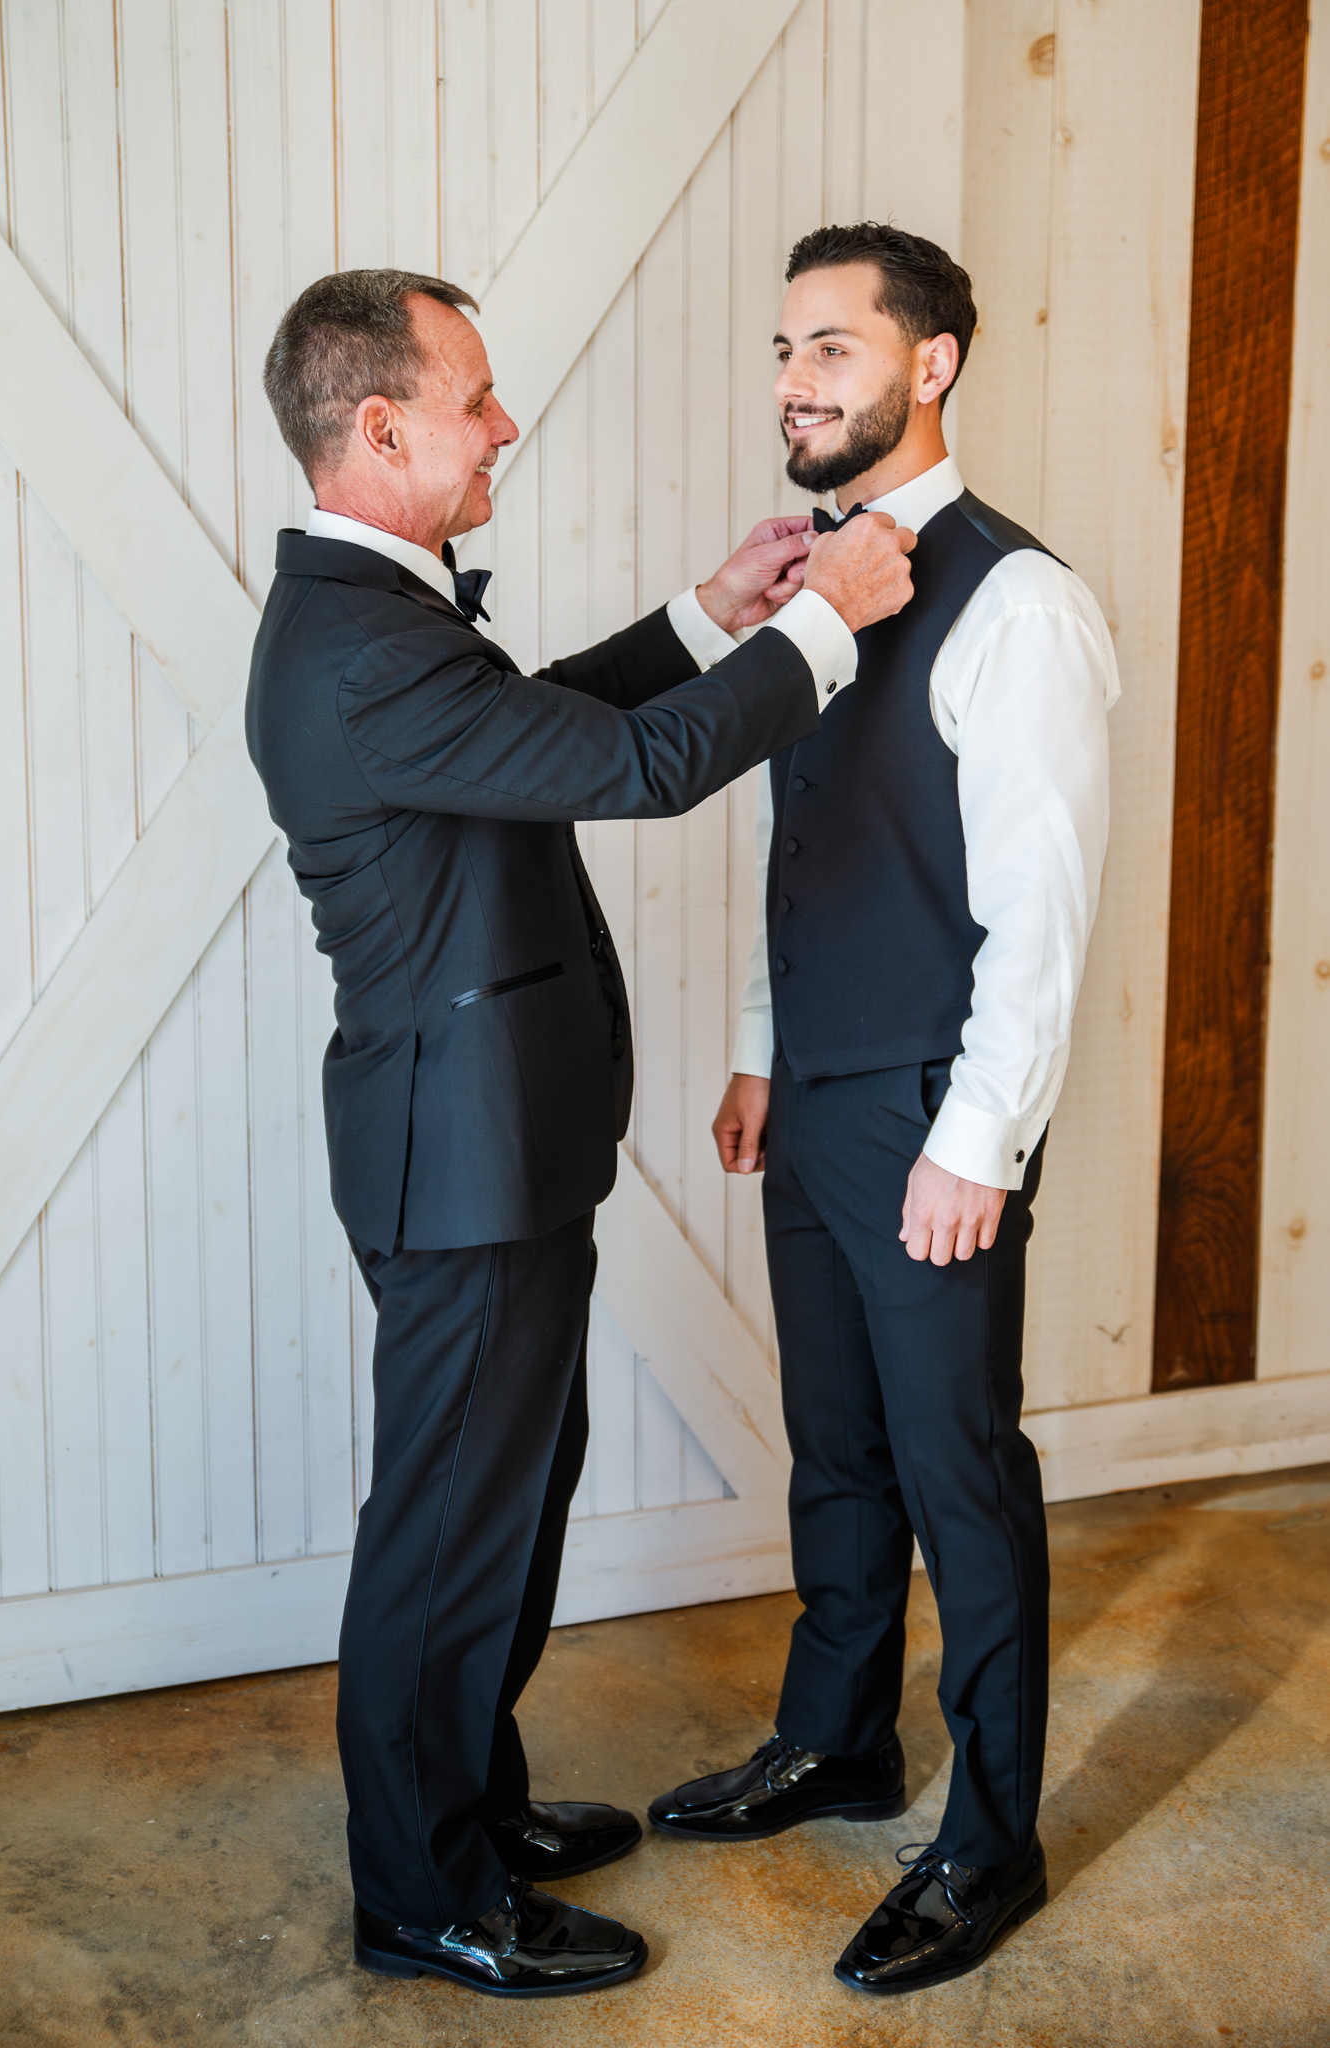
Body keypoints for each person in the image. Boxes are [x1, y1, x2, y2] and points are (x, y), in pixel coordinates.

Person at [246, 267, 915, 2000]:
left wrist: (706, 616)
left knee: (509, 1503)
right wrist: (823, 622)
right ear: (381, 424)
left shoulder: (379, 624)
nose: (507, 424)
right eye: (477, 399)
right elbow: (633, 772)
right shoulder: (349, 642)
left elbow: (538, 725)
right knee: (446, 1537)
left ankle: (473, 1801)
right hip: (454, 1167)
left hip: (499, 1152)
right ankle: (425, 1895)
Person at [648, 223, 1119, 1996]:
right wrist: (767, 1045)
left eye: (834, 349)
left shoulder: (1022, 602)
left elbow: (1042, 914)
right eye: (784, 349)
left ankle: (991, 1838)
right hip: (821, 1094)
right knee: (837, 1452)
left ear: (931, 367)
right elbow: (811, 845)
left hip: (933, 1111)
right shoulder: (826, 584)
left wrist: (975, 1142)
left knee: (959, 1472)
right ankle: (837, 1742)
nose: (794, 381)